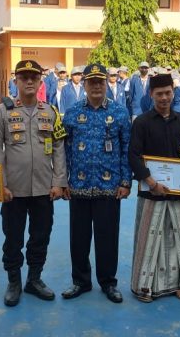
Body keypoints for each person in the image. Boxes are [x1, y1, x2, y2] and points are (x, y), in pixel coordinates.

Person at [0, 60, 68, 307]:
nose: (30, 81)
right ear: (16, 81)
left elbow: (58, 149)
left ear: (41, 81)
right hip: (14, 189)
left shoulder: (51, 112)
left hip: (44, 188)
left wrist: (59, 182)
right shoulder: (1, 112)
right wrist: (0, 184)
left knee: (40, 236)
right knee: (12, 238)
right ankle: (14, 281)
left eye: (34, 77)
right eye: (24, 77)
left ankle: (34, 279)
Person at [61, 64, 132, 304]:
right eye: (91, 82)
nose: (96, 86)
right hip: (78, 186)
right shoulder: (71, 113)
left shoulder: (120, 112)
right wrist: (64, 180)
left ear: (106, 83)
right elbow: (65, 149)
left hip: (109, 186)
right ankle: (80, 281)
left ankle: (108, 283)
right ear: (84, 84)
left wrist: (125, 181)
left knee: (107, 238)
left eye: (100, 81)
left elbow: (126, 148)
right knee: (78, 239)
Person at [128, 73, 180, 303]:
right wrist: (151, 182)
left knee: (179, 238)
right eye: (159, 93)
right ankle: (144, 287)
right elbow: (133, 156)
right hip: (151, 191)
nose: (164, 97)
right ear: (151, 94)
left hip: (178, 192)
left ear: (173, 92)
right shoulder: (141, 122)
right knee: (149, 239)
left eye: (168, 92)